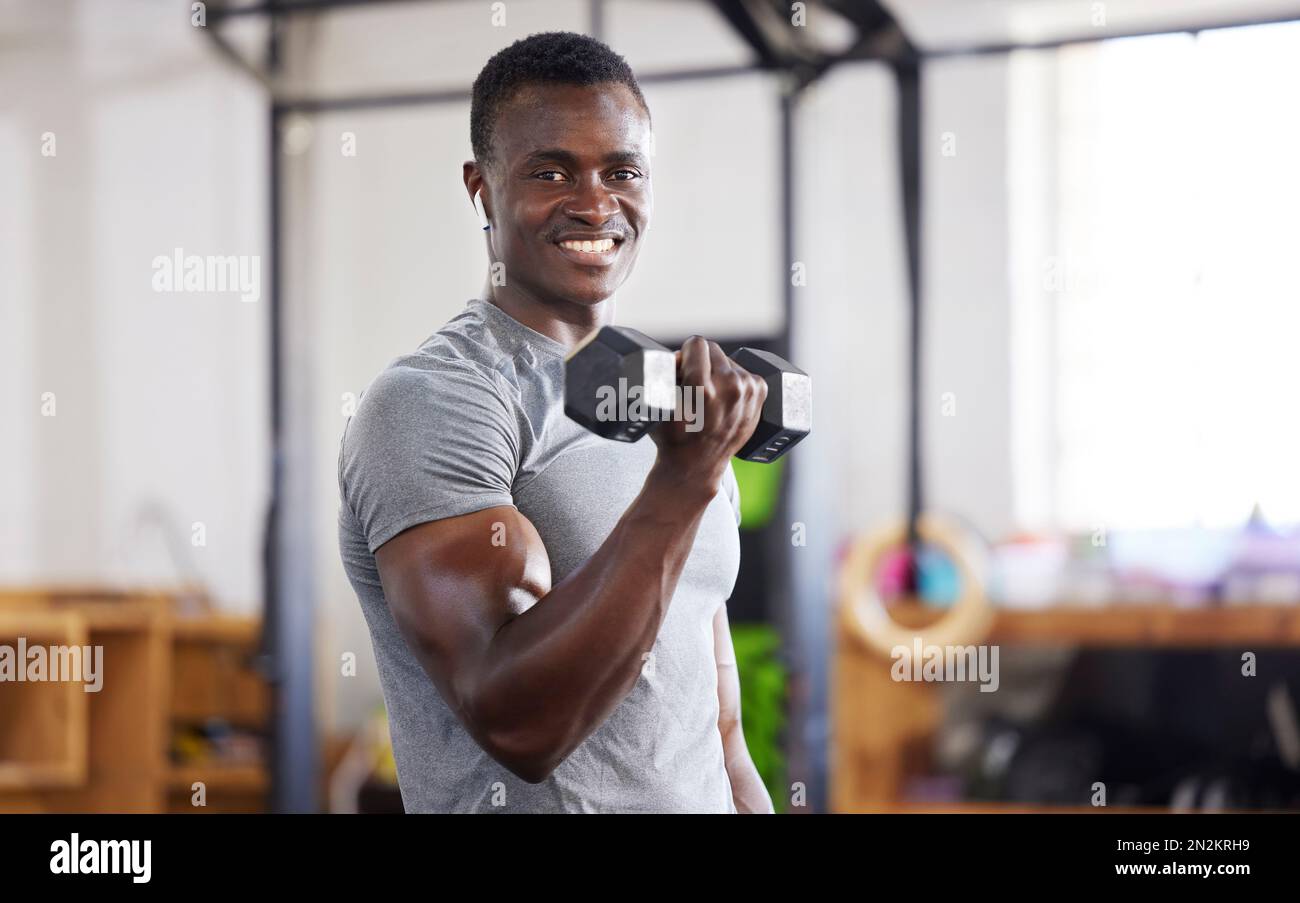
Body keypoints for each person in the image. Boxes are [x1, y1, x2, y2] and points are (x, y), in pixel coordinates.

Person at [338, 31, 772, 813]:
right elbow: (517, 722)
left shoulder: (671, 407)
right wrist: (683, 481)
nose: (596, 203)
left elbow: (720, 727)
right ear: (482, 188)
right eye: (551, 171)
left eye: (622, 171)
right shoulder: (438, 402)